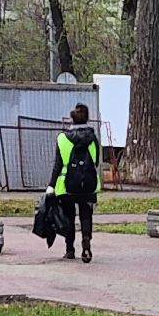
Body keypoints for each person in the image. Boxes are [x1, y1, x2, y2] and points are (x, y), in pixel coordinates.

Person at [46, 102, 100, 263]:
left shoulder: (62, 139)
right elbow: (96, 161)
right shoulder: (93, 139)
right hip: (88, 185)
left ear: (72, 120)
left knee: (68, 216)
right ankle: (86, 239)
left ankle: (70, 249)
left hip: (67, 185)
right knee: (86, 214)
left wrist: (51, 185)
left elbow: (57, 165)